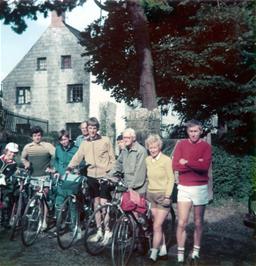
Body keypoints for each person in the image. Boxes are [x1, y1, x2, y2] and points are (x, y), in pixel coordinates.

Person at [67, 117, 115, 242]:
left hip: (104, 177)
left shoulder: (105, 140)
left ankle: (108, 230)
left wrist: (109, 173)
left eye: (94, 128)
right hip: (91, 176)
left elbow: (112, 159)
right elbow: (78, 156)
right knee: (96, 204)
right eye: (90, 128)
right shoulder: (84, 143)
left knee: (104, 205)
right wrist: (69, 167)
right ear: (87, 129)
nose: (92, 131)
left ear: (97, 129)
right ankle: (99, 230)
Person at [172, 119, 212, 265]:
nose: (193, 134)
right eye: (191, 131)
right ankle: (180, 253)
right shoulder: (181, 144)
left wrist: (187, 162)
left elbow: (204, 167)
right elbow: (176, 165)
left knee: (198, 222)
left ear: (200, 131)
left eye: (196, 131)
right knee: (182, 222)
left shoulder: (206, 146)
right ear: (187, 132)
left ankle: (195, 251)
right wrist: (196, 162)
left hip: (200, 188)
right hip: (184, 187)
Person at [145, 134, 174, 262]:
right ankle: (163, 250)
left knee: (157, 226)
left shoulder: (166, 160)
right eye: (150, 147)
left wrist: (168, 195)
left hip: (163, 196)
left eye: (155, 147)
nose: (152, 150)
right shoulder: (147, 160)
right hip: (151, 195)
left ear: (159, 147)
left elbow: (171, 178)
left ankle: (154, 253)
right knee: (157, 225)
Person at [21, 125, 55, 229]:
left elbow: (56, 156)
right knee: (37, 198)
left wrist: (52, 167)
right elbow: (23, 158)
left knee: (43, 198)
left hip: (45, 176)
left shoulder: (47, 146)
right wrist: (26, 163)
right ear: (32, 137)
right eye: (35, 135)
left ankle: (44, 221)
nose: (37, 137)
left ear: (41, 136)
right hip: (34, 177)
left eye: (39, 135)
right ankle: (39, 217)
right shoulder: (28, 147)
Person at [109, 128, 148, 195]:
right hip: (126, 187)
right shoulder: (125, 150)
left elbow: (140, 174)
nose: (125, 140)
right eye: (124, 138)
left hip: (137, 190)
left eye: (128, 137)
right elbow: (118, 165)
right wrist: (108, 176)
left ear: (134, 138)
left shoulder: (141, 151)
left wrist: (130, 187)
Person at [0, 142, 19, 227]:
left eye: (14, 153)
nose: (12, 154)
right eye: (11, 152)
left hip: (5, 186)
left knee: (6, 201)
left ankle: (5, 220)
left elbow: (9, 175)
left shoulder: (14, 164)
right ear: (6, 151)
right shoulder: (0, 159)